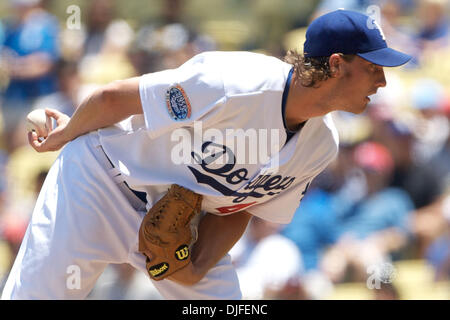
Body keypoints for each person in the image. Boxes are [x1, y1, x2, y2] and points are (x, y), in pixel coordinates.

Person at [1, 9, 411, 299]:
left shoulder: (322, 145)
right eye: (374, 67)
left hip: (184, 229)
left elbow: (244, 209)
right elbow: (114, 97)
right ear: (337, 64)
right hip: (99, 183)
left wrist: (195, 268)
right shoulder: (233, 82)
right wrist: (66, 134)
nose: (382, 81)